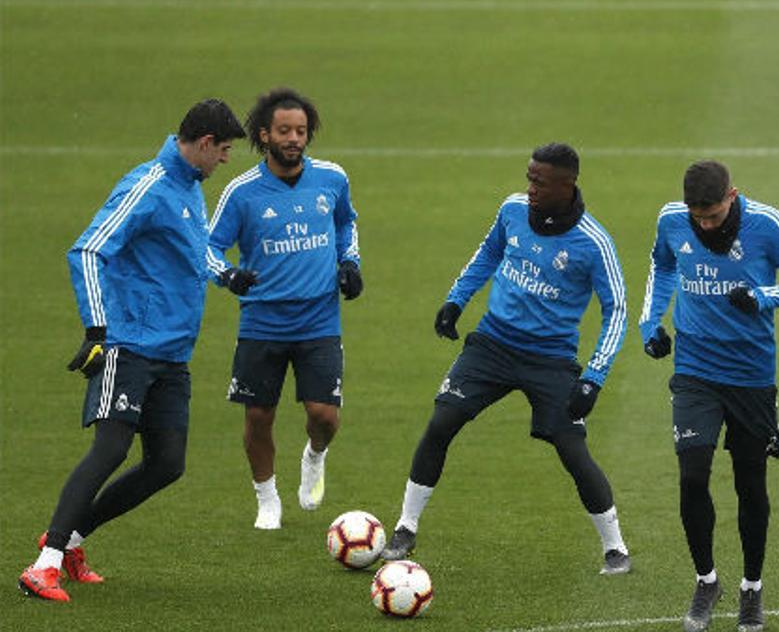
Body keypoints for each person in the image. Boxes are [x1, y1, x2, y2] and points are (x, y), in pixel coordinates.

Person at [18, 100, 246, 602]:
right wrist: (97, 330)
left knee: (167, 463)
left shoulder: (188, 187)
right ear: (204, 143)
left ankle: (73, 542)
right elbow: (89, 248)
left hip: (172, 351)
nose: (226, 160)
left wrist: (225, 273)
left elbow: (192, 246)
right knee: (112, 448)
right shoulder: (147, 186)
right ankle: (45, 564)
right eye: (224, 150)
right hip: (130, 344)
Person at [379, 142, 631, 575]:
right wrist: (456, 300)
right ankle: (405, 526)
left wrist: (594, 376)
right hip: (492, 346)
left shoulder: (593, 243)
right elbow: (488, 253)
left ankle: (615, 548)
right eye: (529, 177)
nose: (530, 187)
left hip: (551, 360)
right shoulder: (512, 210)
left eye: (540, 181)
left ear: (567, 185)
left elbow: (618, 310)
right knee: (442, 423)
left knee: (572, 449)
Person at [640, 160, 779, 632]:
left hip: (751, 377)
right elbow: (661, 267)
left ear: (733, 196)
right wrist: (650, 324)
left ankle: (752, 588)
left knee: (750, 486)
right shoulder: (670, 220)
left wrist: (762, 296)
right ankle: (706, 582)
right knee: (692, 474)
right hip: (695, 372)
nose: (705, 224)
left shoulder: (767, 224)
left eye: (714, 216)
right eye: (697, 217)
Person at [207, 87, 362, 530]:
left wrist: (350, 263)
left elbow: (346, 223)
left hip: (319, 318)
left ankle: (315, 454)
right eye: (285, 131)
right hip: (262, 321)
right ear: (264, 135)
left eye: (301, 130)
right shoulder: (242, 193)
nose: (295, 138)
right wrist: (229, 275)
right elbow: (209, 246)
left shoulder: (332, 179)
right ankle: (267, 498)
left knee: (324, 415)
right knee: (258, 416)